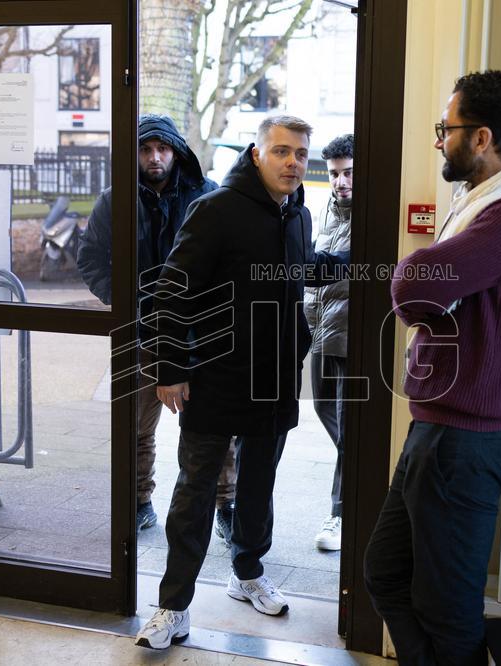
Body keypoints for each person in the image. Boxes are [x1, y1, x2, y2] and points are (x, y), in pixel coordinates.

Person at [363, 71, 501, 665]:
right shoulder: (487, 206)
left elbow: (412, 287)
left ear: (480, 138)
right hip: (443, 430)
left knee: (447, 613)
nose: (438, 140)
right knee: (385, 574)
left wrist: (417, 264)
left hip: (465, 441)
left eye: (445, 129)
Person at [135, 115, 349, 650]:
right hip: (215, 376)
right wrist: (171, 368)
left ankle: (247, 572)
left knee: (258, 484)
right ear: (257, 154)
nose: (293, 162)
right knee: (194, 491)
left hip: (274, 379)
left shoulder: (295, 214)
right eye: (281, 151)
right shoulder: (215, 209)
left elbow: (302, 269)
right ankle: (173, 607)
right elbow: (172, 292)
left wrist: (362, 258)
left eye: (301, 154)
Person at [76, 114, 237, 536]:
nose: (155, 157)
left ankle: (226, 505)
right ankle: (139, 499)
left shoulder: (207, 196)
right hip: (142, 332)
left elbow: (229, 263)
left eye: (162, 149)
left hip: (199, 335)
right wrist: (129, 303)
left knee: (214, 428)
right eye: (146, 149)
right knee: (136, 427)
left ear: (176, 151)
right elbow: (90, 258)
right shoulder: (115, 200)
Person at [303, 133, 353, 551]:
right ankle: (368, 474)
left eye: (349, 172)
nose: (341, 182)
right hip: (322, 332)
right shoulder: (328, 211)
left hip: (353, 336)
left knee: (351, 428)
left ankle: (340, 514)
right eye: (335, 174)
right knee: (325, 411)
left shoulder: (372, 212)